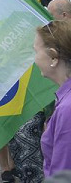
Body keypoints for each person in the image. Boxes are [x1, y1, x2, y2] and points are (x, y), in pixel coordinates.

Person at [35, 20, 71, 177]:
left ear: (53, 57)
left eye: (36, 51)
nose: (34, 59)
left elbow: (63, 175)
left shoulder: (67, 108)